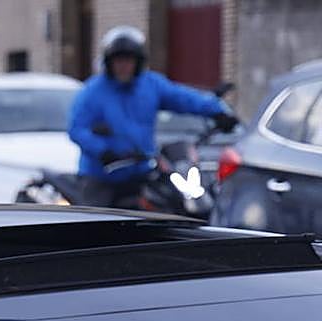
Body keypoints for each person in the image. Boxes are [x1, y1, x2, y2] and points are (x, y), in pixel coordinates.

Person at [68, 25, 239, 207]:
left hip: (142, 173)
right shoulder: (92, 92)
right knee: (95, 226)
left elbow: (183, 98)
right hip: (101, 176)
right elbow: (77, 130)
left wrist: (217, 110)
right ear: (109, 63)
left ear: (138, 62)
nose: (123, 66)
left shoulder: (150, 85)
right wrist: (103, 150)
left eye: (129, 61)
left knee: (169, 208)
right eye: (118, 61)